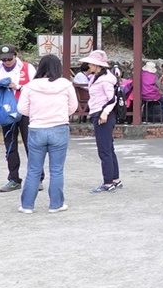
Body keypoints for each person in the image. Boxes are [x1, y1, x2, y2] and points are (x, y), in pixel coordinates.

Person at [17, 54, 79, 214]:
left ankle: (27, 205)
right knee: (57, 169)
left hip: (37, 128)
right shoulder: (65, 84)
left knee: (33, 170)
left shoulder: (30, 86)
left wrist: (37, 113)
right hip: (59, 128)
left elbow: (22, 109)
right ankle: (56, 204)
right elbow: (73, 106)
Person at [0, 43, 33, 193]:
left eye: (9, 58)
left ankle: (37, 177)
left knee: (30, 145)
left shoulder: (27, 68)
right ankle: (14, 179)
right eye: (4, 59)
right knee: (10, 145)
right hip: (6, 111)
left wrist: (17, 86)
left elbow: (35, 87)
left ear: (16, 55)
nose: (6, 62)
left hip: (26, 110)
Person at [80, 49, 122, 193]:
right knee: (109, 147)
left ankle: (108, 182)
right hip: (101, 113)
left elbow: (111, 98)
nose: (89, 65)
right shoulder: (97, 77)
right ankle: (115, 179)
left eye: (91, 63)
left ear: (98, 65)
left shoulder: (104, 79)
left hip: (103, 114)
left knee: (104, 149)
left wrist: (104, 113)